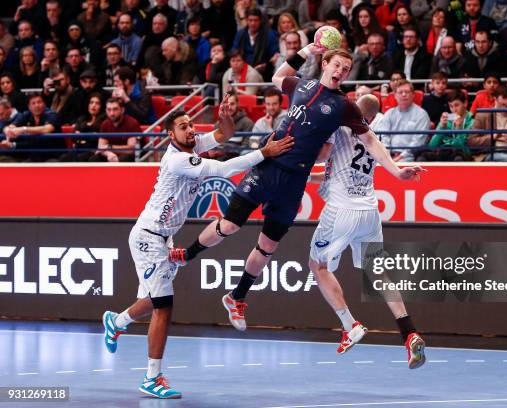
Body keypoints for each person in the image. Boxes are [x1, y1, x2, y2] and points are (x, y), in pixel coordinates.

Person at [169, 45, 421, 330]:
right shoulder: (302, 84)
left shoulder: (344, 107)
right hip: (268, 165)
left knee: (267, 247)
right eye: (336, 65)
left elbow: (372, 141)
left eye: (346, 69)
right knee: (228, 226)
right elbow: (278, 76)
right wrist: (306, 50)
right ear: (325, 64)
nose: (340, 72)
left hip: (293, 182)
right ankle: (186, 254)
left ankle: (237, 297)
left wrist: (397, 172)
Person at [101, 99, 293, 399]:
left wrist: (226, 118)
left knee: (152, 300)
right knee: (164, 305)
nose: (190, 130)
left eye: (191, 125)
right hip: (148, 237)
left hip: (164, 238)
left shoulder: (191, 145)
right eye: (182, 127)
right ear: (170, 135)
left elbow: (223, 134)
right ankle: (152, 378)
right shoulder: (177, 159)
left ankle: (116, 321)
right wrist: (264, 153)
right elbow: (225, 169)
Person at [308, 93, 426, 367]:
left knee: (318, 265)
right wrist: (398, 172)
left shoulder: (337, 128)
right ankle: (409, 333)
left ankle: (350, 325)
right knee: (378, 272)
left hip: (340, 210)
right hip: (369, 212)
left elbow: (322, 155)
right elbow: (330, 173)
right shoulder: (373, 139)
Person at [377, 79, 431, 161]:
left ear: (413, 95)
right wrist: (387, 157)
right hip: (388, 156)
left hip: (410, 157)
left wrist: (399, 157)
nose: (404, 94)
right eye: (400, 92)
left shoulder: (422, 114)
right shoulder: (389, 113)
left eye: (407, 92)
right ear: (395, 95)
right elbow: (385, 138)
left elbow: (418, 142)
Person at [89, 97, 141, 162]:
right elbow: (101, 147)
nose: (112, 113)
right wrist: (108, 154)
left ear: (122, 110)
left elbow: (131, 150)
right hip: (112, 154)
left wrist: (110, 148)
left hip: (127, 155)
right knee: (94, 159)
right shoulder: (105, 124)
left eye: (115, 109)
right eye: (109, 109)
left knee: (125, 158)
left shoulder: (132, 123)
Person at [427, 89, 474, 161]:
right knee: (423, 157)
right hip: (443, 153)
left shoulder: (472, 122)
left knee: (458, 157)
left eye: (457, 105)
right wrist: (442, 127)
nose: (454, 110)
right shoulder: (446, 120)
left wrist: (459, 129)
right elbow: (432, 146)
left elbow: (466, 150)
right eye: (451, 106)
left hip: (462, 156)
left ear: (465, 103)